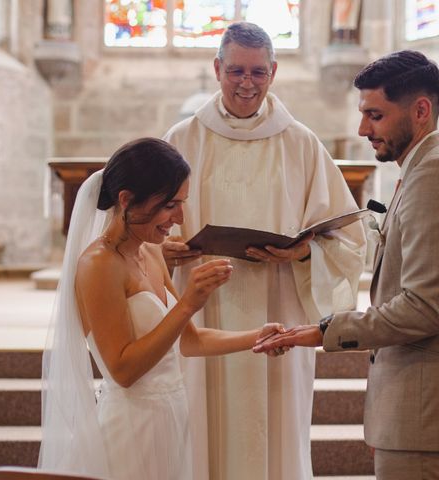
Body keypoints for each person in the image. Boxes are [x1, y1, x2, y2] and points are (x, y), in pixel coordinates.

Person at [254, 50, 439, 479]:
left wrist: (323, 331)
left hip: (427, 414)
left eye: (375, 115)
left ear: (420, 110)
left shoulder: (438, 175)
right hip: (416, 409)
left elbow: (425, 307)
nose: (363, 128)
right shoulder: (426, 169)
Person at [162, 22, 367, 480]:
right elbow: (144, 227)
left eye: (257, 72)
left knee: (272, 422)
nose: (246, 83)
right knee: (201, 416)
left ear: (273, 72)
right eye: (236, 70)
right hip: (201, 308)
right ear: (217, 68)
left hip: (281, 305)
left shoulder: (301, 144)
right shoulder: (182, 140)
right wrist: (165, 249)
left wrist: (305, 254)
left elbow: (349, 237)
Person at [38, 137, 284, 480]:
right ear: (126, 200)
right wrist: (187, 303)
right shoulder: (99, 264)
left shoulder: (150, 251)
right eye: (170, 204)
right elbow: (123, 371)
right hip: (130, 426)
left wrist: (259, 336)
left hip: (170, 416)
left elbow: (190, 341)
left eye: (181, 203)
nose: (179, 217)